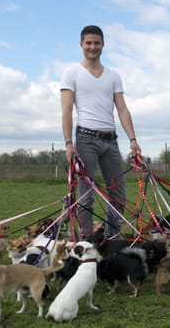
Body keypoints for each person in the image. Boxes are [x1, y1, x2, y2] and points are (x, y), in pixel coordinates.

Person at [61, 25, 141, 240]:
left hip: (111, 142)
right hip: (85, 141)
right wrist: (69, 143)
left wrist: (133, 139)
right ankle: (87, 245)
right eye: (88, 43)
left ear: (103, 45)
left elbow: (122, 109)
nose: (92, 47)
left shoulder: (113, 76)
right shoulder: (71, 74)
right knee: (86, 197)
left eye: (97, 43)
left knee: (118, 194)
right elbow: (67, 109)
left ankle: (111, 240)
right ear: (81, 45)